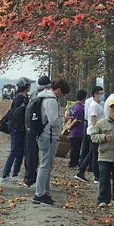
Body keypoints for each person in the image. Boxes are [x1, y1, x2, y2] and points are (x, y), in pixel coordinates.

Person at [33, 77, 69, 206]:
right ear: (58, 90)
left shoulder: (44, 97)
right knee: (45, 166)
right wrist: (62, 120)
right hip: (48, 136)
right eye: (63, 93)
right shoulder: (51, 100)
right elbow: (53, 121)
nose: (62, 96)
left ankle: (45, 192)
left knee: (47, 166)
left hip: (44, 135)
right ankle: (39, 194)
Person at [22, 75, 51, 188]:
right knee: (34, 155)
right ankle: (31, 178)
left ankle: (29, 177)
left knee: (30, 154)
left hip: (30, 128)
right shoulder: (43, 96)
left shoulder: (34, 94)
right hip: (37, 129)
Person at [0, 78, 31, 183]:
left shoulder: (23, 97)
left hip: (20, 128)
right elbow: (16, 114)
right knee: (14, 151)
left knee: (20, 152)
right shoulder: (19, 98)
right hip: (16, 128)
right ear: (26, 86)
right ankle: (5, 175)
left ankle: (15, 174)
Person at [75, 86, 104, 184]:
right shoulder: (94, 105)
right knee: (94, 154)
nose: (101, 95)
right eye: (100, 93)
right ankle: (96, 176)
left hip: (94, 131)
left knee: (92, 153)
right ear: (95, 94)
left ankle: (81, 172)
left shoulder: (97, 105)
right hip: (93, 132)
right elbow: (93, 119)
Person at [66, 90, 88, 169]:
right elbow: (77, 120)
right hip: (78, 131)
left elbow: (70, 116)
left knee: (73, 147)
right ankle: (73, 163)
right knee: (76, 148)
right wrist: (70, 126)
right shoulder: (81, 108)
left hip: (73, 132)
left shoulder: (74, 106)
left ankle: (73, 162)